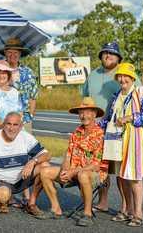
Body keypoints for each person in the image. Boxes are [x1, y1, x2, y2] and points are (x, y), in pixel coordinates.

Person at [82, 41, 140, 215]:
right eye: (105, 53)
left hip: (120, 131)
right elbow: (85, 99)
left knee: (122, 172)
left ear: (118, 57)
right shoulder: (92, 75)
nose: (108, 56)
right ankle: (103, 202)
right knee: (102, 168)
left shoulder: (125, 75)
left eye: (112, 54)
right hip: (97, 129)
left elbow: (138, 99)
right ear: (101, 56)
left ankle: (127, 207)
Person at [98, 62, 143, 227]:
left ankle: (138, 212)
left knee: (134, 176)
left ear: (132, 78)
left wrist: (129, 118)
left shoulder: (142, 93)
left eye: (126, 76)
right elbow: (108, 119)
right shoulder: (117, 95)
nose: (123, 79)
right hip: (116, 141)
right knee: (121, 176)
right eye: (120, 76)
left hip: (134, 140)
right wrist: (94, 129)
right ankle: (126, 209)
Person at [37, 97, 108, 227]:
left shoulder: (100, 134)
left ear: (94, 114)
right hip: (73, 171)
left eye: (87, 112)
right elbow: (68, 155)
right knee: (45, 172)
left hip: (93, 174)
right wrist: (65, 170)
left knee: (82, 175)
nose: (83, 115)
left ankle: (87, 214)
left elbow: (96, 165)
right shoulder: (76, 132)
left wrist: (73, 172)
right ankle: (56, 209)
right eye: (81, 112)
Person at [0, 112, 51, 216]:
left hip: (20, 178)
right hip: (1, 181)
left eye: (15, 125)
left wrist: (32, 161)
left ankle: (31, 203)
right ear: (3, 124)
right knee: (3, 195)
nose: (11, 128)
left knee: (45, 167)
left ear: (21, 126)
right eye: (8, 124)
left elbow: (47, 155)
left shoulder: (26, 137)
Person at [0, 37, 38, 134]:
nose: (12, 55)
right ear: (5, 53)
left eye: (16, 52)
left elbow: (33, 97)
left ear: (20, 54)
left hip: (24, 121)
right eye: (9, 52)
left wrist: (30, 116)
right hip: (1, 120)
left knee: (24, 148)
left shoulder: (28, 72)